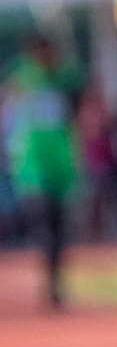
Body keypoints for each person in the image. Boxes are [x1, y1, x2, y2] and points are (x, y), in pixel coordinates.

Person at [1, 35, 82, 309]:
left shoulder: (63, 78)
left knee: (59, 226)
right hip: (32, 165)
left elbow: (75, 114)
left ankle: (55, 280)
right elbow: (8, 115)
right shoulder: (21, 78)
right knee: (44, 223)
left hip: (60, 163)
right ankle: (50, 279)